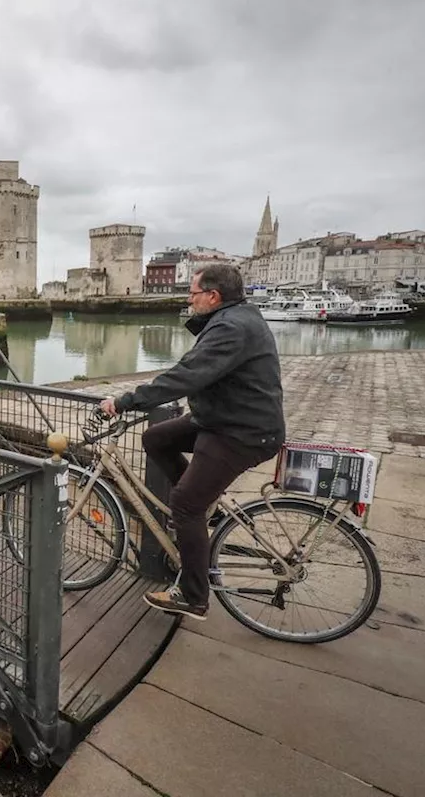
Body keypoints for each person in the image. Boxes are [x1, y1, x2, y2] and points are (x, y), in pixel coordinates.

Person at [99, 264, 285, 621]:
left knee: (184, 504)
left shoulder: (230, 327)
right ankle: (204, 505)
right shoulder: (236, 317)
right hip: (221, 420)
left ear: (213, 296)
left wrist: (124, 401)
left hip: (242, 432)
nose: (189, 299)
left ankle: (193, 596)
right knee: (156, 438)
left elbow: (186, 376)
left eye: (193, 293)